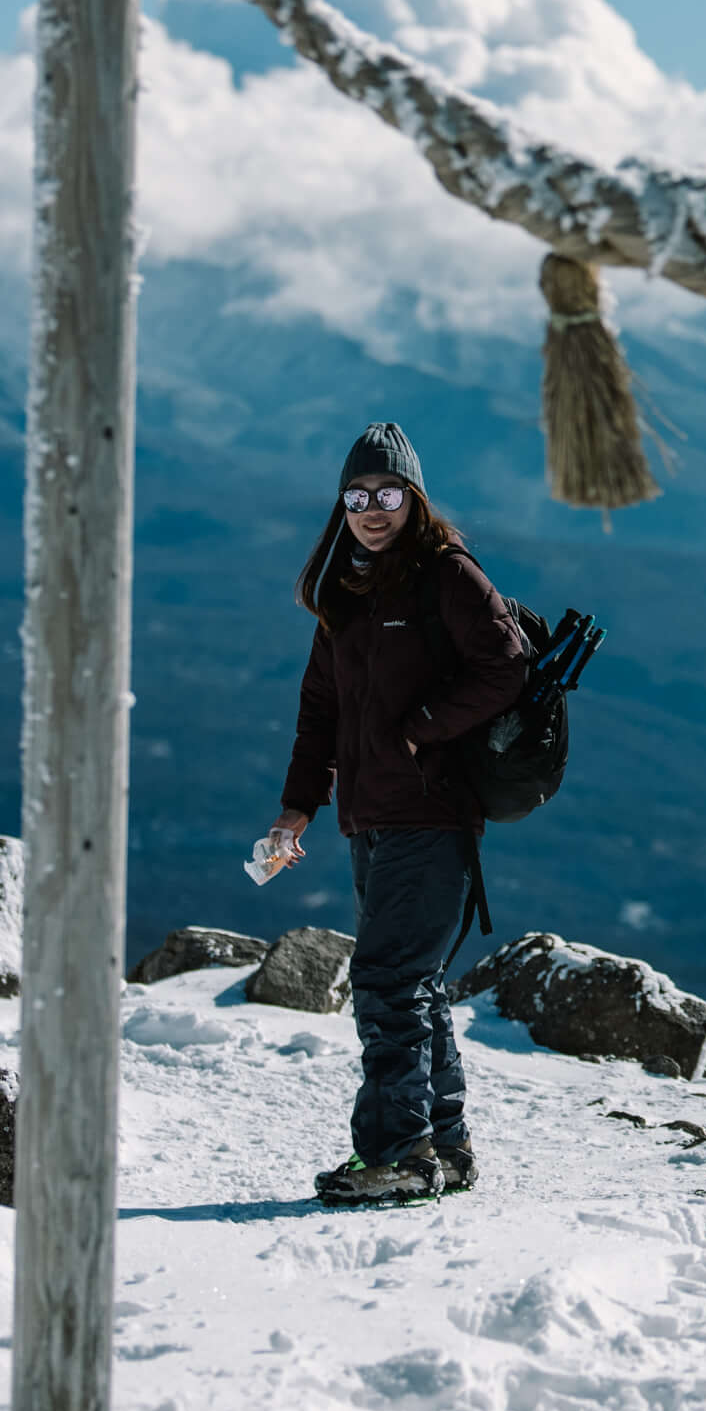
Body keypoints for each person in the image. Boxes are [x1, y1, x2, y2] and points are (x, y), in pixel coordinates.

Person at [258, 421, 531, 1206]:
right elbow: (319, 709)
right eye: (357, 495)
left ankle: (397, 1153)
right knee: (414, 981)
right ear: (341, 505)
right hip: (367, 818)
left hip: (434, 815)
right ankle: (444, 1146)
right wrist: (295, 810)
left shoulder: (446, 575)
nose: (372, 509)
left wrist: (420, 729)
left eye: (387, 493)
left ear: (413, 497)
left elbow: (506, 665)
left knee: (385, 980)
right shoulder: (348, 589)